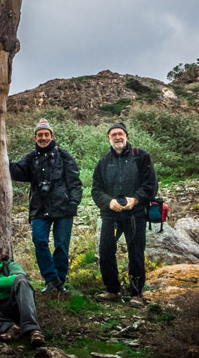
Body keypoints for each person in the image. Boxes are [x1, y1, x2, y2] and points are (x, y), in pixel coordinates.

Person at [9, 118, 82, 293]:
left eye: (46, 134)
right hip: (39, 209)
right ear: (35, 138)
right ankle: (51, 279)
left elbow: (75, 182)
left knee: (61, 246)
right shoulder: (30, 158)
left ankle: (60, 282)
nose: (43, 138)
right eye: (40, 135)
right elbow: (17, 171)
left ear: (52, 136)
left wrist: (73, 203)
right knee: (39, 240)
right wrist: (3, 159)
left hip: (63, 208)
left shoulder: (63, 156)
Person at [91, 121, 158, 304]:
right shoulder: (104, 162)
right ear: (109, 138)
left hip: (135, 214)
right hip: (110, 214)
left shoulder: (141, 156)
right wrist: (108, 201)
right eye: (114, 135)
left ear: (126, 136)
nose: (117, 137)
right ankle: (112, 291)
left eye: (120, 134)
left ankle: (136, 294)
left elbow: (151, 185)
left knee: (135, 252)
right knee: (106, 251)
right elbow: (96, 190)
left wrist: (135, 199)